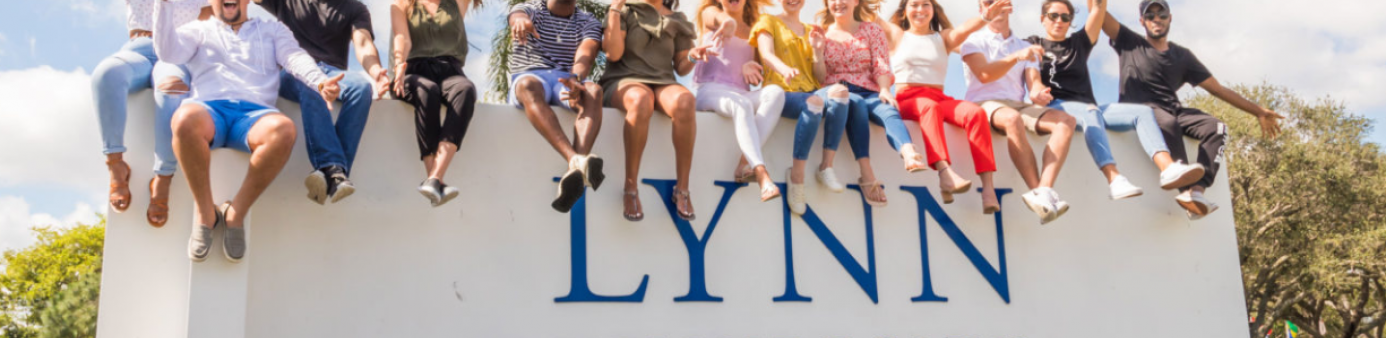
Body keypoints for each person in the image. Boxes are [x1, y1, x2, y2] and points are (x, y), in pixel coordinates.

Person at [156, 0, 344, 262]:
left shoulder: (273, 30)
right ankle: (205, 214)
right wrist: (163, 5)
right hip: (209, 110)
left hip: (254, 116)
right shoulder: (198, 30)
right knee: (184, 118)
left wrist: (320, 82)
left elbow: (294, 58)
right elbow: (168, 52)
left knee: (283, 129)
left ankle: (235, 214)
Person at [1102, 0, 1283, 219]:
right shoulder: (1129, 42)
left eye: (1162, 15)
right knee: (1167, 122)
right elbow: (1098, 11)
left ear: (1170, 18)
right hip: (1142, 111)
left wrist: (1258, 112)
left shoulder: (1182, 56)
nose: (1156, 20)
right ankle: (1184, 191)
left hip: (1172, 108)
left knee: (1217, 128)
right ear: (1142, 21)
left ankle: (1197, 193)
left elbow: (1217, 89)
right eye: (1150, 16)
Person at [1024, 0, 1205, 201]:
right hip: (1057, 106)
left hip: (1089, 108)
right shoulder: (1034, 43)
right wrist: (1036, 88)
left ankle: (1167, 168)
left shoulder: (1079, 43)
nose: (1059, 21)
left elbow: (1099, 7)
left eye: (1065, 17)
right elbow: (1030, 75)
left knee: (1142, 112)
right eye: (1053, 16)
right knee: (1091, 112)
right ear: (1043, 19)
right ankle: (1114, 179)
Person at [253, 0, 391, 205]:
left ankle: (334, 174)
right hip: (293, 71)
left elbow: (363, 44)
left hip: (332, 72)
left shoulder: (355, 8)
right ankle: (332, 168)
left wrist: (376, 72)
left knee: (361, 88)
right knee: (312, 83)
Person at [879, 0, 1006, 213]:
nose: (920, 10)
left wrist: (984, 17)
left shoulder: (943, 37)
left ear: (933, 10)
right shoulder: (897, 35)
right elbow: (869, 15)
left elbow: (964, 30)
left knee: (975, 113)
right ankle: (945, 173)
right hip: (908, 98)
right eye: (914, 5)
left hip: (939, 97)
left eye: (925, 5)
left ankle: (988, 189)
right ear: (905, 11)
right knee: (929, 107)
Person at [92, 0, 209, 227]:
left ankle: (163, 178)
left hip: (176, 54)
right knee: (106, 74)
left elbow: (217, 24)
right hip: (138, 49)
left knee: (172, 89)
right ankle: (115, 164)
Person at [959, 0, 1077, 224]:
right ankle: (1037, 193)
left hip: (1018, 103)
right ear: (981, 9)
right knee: (1012, 119)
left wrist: (1039, 94)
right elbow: (984, 75)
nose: (992, 5)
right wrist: (1016, 57)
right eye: (987, 2)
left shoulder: (1023, 47)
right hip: (984, 103)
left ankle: (1043, 190)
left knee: (1066, 121)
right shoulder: (973, 41)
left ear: (1009, 6)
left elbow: (1033, 86)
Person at [601, 0, 718, 221]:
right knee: (640, 99)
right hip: (623, 79)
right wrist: (615, 10)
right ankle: (630, 188)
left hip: (661, 82)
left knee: (685, 101)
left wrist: (693, 55)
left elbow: (681, 66)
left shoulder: (677, 19)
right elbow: (613, 54)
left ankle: (682, 189)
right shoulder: (625, 10)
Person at [748, 0, 852, 215]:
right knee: (814, 104)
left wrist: (817, 51)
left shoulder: (811, 31)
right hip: (782, 92)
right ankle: (797, 177)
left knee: (841, 93)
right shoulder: (768, 21)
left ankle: (826, 167)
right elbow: (766, 54)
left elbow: (821, 77)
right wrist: (784, 69)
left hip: (812, 90)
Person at [507, 0, 608, 212]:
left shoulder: (588, 20)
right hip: (532, 75)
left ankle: (575, 170)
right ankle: (576, 161)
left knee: (593, 91)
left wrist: (576, 78)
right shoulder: (531, 8)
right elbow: (518, 16)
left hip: (565, 79)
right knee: (528, 86)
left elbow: (587, 53)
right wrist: (521, 22)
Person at [817, 0, 919, 208]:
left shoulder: (872, 30)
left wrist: (884, 89)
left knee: (887, 109)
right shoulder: (822, 35)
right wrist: (816, 52)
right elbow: (819, 75)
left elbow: (881, 64)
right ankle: (867, 174)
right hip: (839, 92)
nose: (838, 3)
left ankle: (909, 153)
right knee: (856, 105)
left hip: (869, 89)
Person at [390, 0, 483, 207]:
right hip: (412, 70)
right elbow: (402, 37)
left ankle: (434, 178)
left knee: (465, 89)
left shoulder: (457, 3)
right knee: (427, 90)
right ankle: (434, 178)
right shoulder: (402, 4)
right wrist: (399, 66)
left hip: (450, 71)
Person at [694, 0, 785, 203]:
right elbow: (721, 19)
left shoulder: (755, 29)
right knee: (741, 105)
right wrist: (728, 22)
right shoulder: (711, 14)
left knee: (776, 93)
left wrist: (747, 68)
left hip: (740, 93)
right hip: (711, 89)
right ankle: (761, 172)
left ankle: (745, 163)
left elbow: (762, 70)